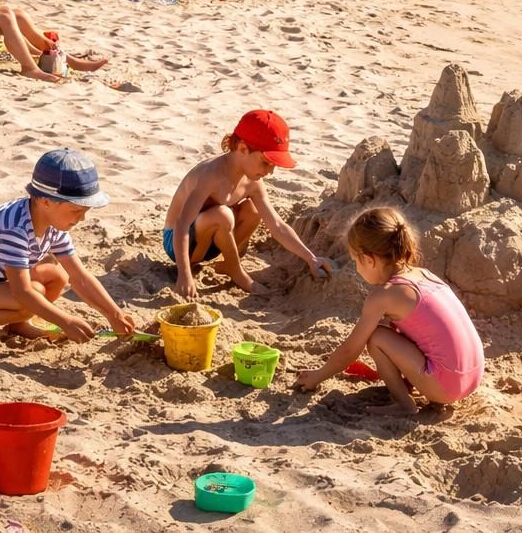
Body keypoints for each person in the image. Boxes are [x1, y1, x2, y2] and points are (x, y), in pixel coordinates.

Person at [0, 148, 136, 351]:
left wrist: (114, 314)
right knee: (32, 296)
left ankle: (17, 324)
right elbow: (23, 292)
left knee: (57, 276)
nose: (82, 218)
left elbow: (79, 277)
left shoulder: (51, 223)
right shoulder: (14, 229)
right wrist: (65, 322)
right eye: (76, 210)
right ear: (46, 201)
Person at [293, 207, 484, 415]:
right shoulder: (424, 274)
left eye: (356, 261)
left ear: (369, 259)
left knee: (376, 337)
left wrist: (317, 376)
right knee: (387, 328)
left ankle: (404, 404)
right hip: (472, 376)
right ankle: (411, 385)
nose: (357, 268)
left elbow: (350, 350)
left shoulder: (383, 296)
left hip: (447, 387)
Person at [163, 110, 330, 299]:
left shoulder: (253, 182)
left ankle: (229, 263)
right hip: (177, 244)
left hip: (209, 242)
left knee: (253, 210)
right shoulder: (210, 175)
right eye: (266, 163)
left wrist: (312, 259)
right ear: (243, 149)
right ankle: (236, 271)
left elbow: (276, 225)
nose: (271, 172)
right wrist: (184, 274)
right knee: (222, 214)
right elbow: (181, 225)